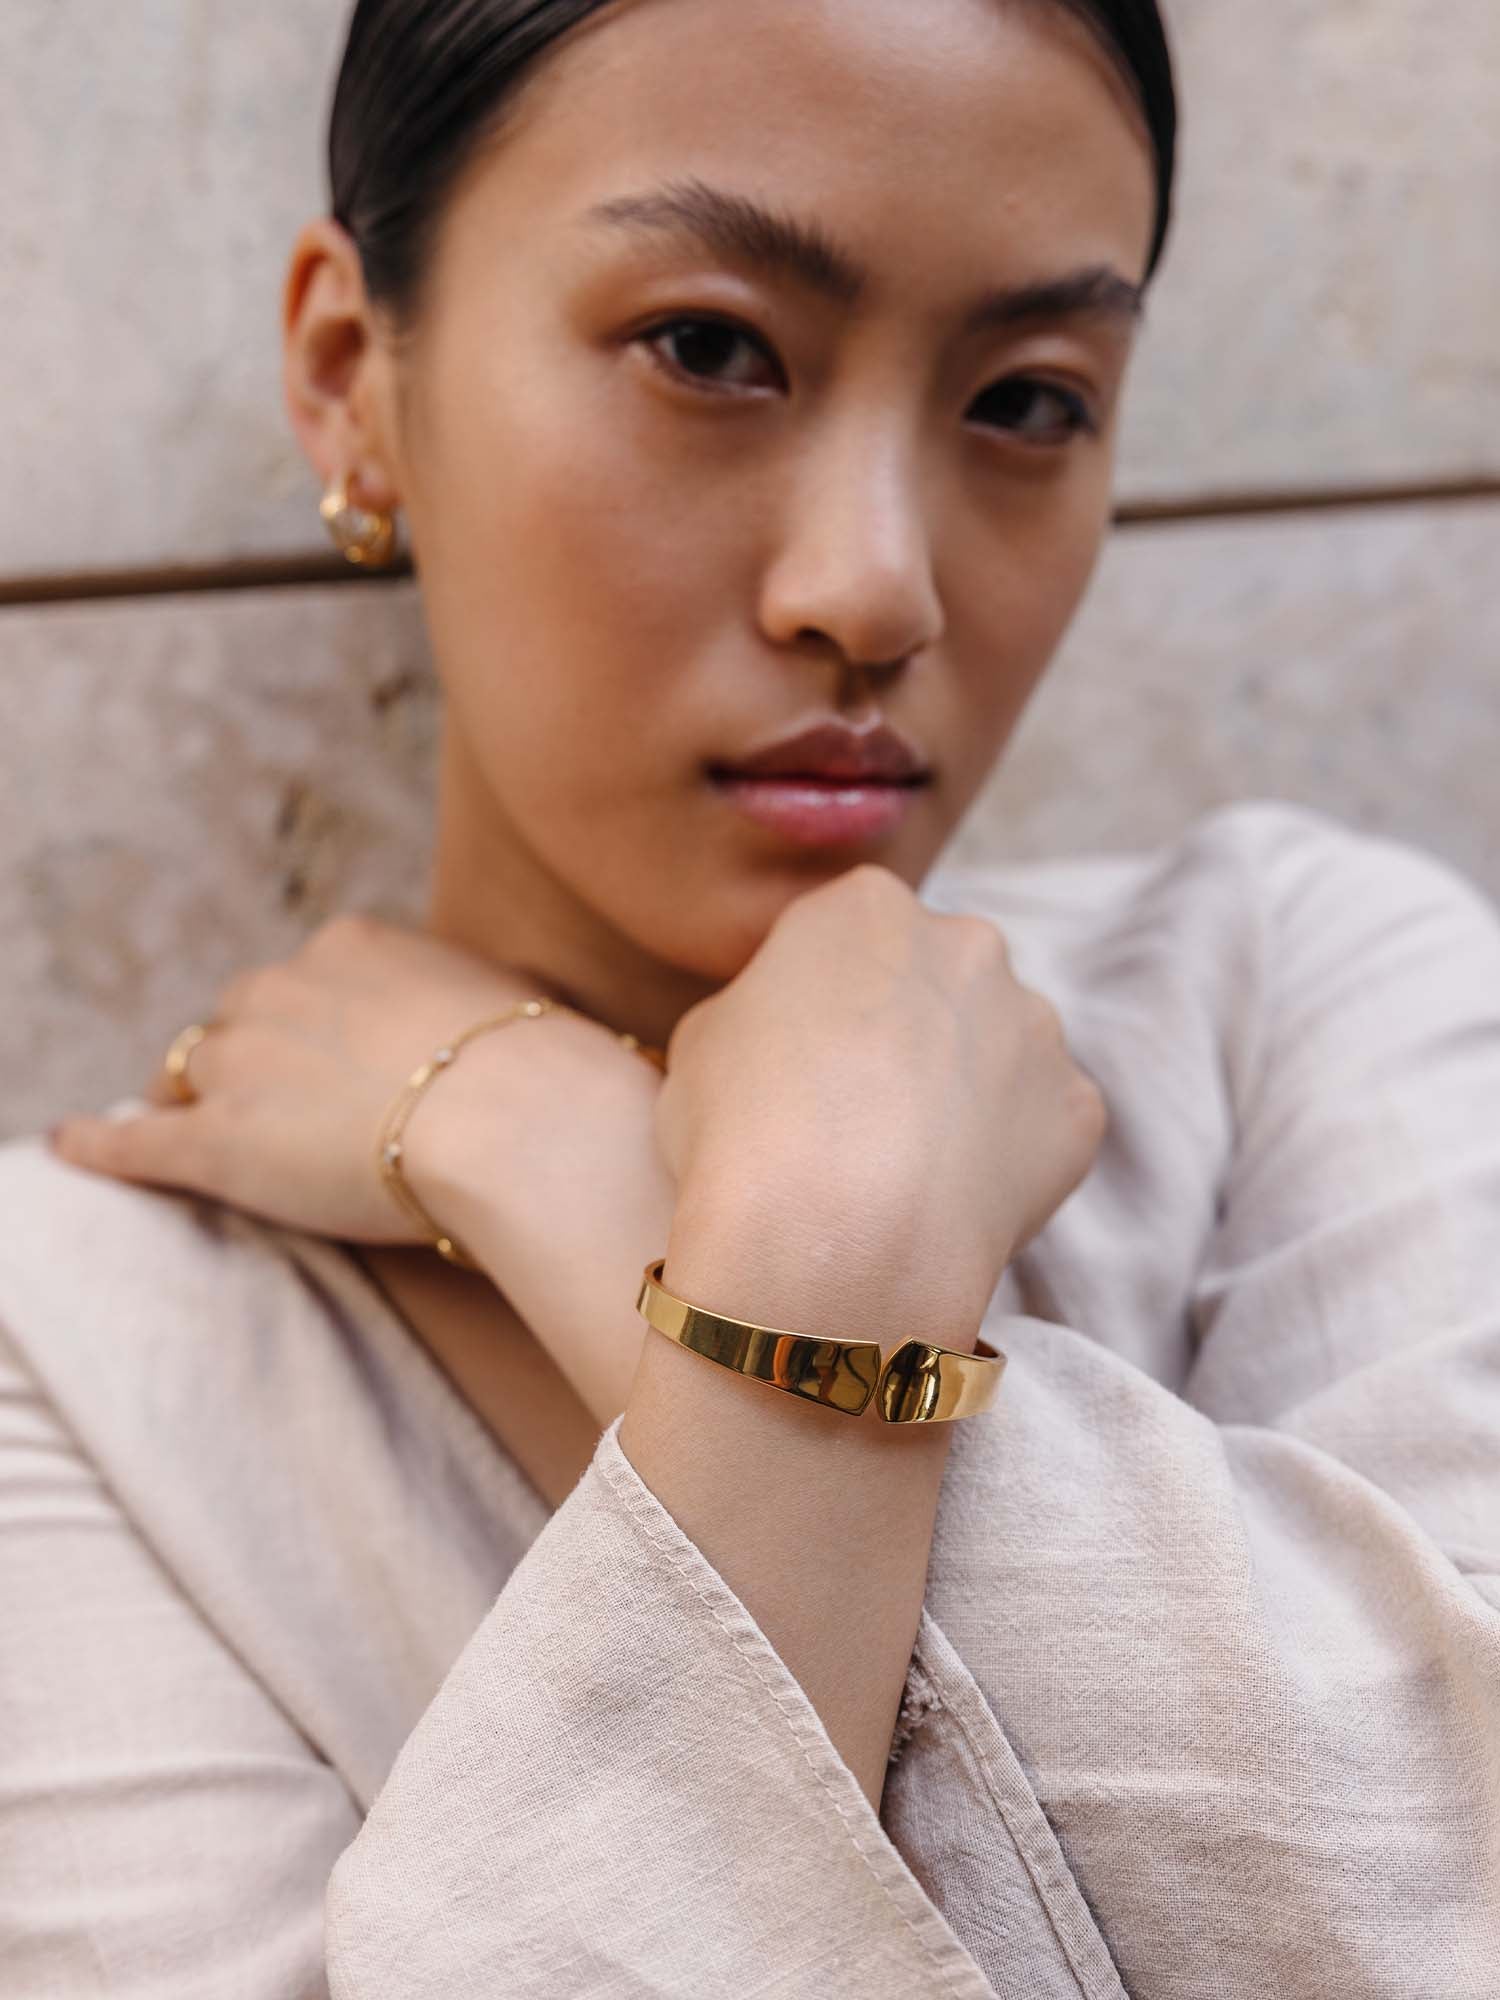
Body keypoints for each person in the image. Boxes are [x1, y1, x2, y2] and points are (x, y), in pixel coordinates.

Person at [3, 0, 1497, 1993]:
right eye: (709, 350)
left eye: (1029, 398)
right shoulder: (70, 1348)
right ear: (353, 377)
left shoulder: (1297, 986)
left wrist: (592, 1182)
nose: (875, 590)